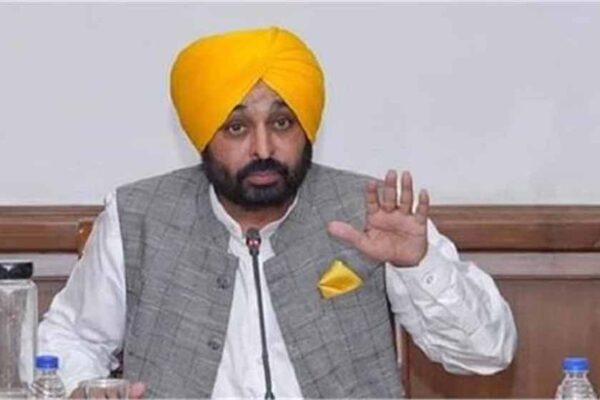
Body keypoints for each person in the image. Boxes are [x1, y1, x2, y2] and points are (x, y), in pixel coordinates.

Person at [38, 26, 517, 398]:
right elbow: (69, 337)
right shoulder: (138, 216)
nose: (264, 148)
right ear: (202, 136)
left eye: (283, 123)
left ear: (306, 127)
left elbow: (487, 354)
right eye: (236, 128)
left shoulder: (373, 213)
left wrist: (418, 266)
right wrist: (85, 387)